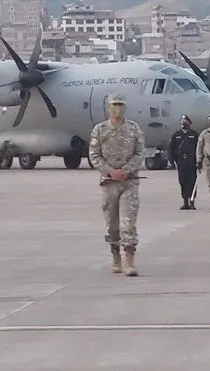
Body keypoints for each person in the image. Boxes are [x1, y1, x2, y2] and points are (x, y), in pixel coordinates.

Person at [88, 93, 145, 277]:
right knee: (112, 224)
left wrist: (126, 171)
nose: (117, 108)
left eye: (121, 105)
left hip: (129, 182)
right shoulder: (100, 129)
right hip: (109, 182)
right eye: (114, 105)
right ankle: (115, 257)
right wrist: (111, 171)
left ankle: (129, 259)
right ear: (108, 107)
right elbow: (94, 155)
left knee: (128, 222)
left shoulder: (134, 129)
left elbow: (140, 153)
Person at [170, 115, 199, 210]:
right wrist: (173, 160)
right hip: (181, 161)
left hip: (192, 161)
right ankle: (185, 201)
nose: (183, 123)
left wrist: (199, 160)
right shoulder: (176, 134)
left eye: (185, 121)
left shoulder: (194, 134)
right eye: (182, 121)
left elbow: (198, 148)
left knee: (192, 182)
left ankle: (192, 201)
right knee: (183, 181)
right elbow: (172, 148)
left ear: (189, 123)